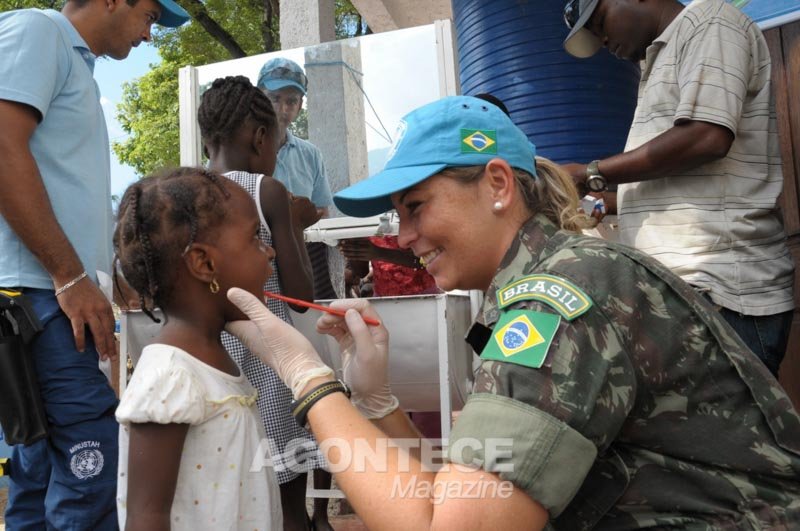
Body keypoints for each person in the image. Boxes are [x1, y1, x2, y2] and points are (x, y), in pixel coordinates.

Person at [224, 96, 800, 529]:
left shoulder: (561, 296)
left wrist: (309, 380)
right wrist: (379, 405)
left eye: (416, 207)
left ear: (497, 183)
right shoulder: (547, 278)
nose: (403, 236)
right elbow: (460, 490)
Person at [0, 1, 189, 528]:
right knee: (92, 466)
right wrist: (70, 274)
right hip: (37, 299)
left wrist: (104, 273)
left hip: (49, 295)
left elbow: (57, 182)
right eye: (150, 15)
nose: (150, 35)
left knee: (39, 473)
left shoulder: (73, 64)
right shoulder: (39, 31)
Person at [560, 0, 795, 377]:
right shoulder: (657, 63)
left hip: (719, 296)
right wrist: (593, 205)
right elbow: (672, 184)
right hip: (689, 297)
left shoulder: (709, 22)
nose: (603, 40)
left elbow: (707, 137)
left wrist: (590, 173)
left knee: (724, 436)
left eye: (601, 22)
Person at [113, 167, 283, 530]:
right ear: (204, 263)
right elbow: (146, 517)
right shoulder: (170, 376)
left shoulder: (216, 358)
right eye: (255, 237)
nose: (268, 250)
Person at [198, 75, 330, 531]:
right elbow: (301, 299)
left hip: (212, 364)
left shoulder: (182, 192)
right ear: (260, 138)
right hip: (268, 366)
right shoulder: (264, 191)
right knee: (288, 504)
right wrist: (292, 221)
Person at [257, 56, 338, 530]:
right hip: (263, 279)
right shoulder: (245, 150)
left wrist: (299, 222)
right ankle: (287, 513)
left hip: (310, 270)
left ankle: (321, 512)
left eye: (292, 100)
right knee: (275, 390)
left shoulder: (309, 154)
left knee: (323, 383)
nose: (284, 109)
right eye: (276, 99)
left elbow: (321, 211)